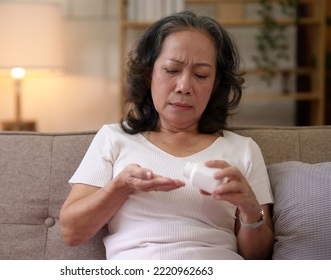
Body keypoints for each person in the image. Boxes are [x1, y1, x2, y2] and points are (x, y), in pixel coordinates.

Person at [60, 11, 274, 260]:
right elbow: (71, 233)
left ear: (215, 85)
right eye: (172, 70)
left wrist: (250, 209)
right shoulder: (113, 139)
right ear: (150, 74)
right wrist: (121, 186)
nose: (184, 86)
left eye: (201, 75)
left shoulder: (243, 149)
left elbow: (258, 258)